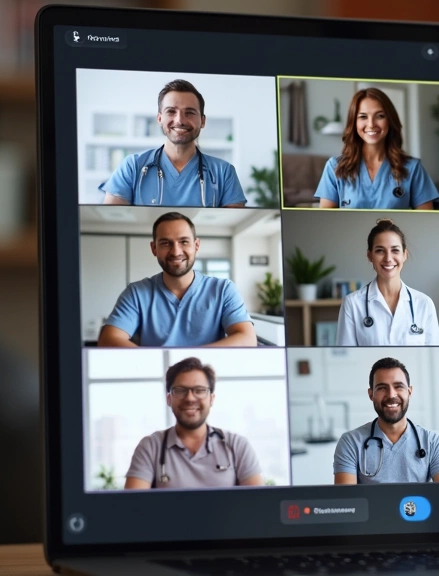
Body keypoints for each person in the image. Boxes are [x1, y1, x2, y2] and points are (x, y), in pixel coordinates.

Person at [98, 212, 257, 347]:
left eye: (184, 242)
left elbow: (248, 339)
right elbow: (108, 339)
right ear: (154, 249)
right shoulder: (136, 293)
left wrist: (186, 360)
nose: (176, 251)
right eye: (166, 243)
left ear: (196, 245)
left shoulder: (223, 290)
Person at [100, 79, 247, 207]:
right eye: (171, 111)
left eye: (189, 112)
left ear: (202, 121)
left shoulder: (224, 172)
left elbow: (232, 231)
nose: (180, 120)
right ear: (159, 119)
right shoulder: (132, 167)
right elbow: (111, 224)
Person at [125, 357, 263, 489]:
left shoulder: (237, 445)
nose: (190, 398)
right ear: (169, 399)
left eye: (200, 390)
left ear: (211, 399)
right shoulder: (151, 446)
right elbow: (133, 507)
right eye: (180, 391)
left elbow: (257, 504)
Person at [333, 357, 439, 484]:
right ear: (371, 395)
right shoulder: (351, 442)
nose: (391, 395)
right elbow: (347, 500)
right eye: (382, 388)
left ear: (409, 392)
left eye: (398, 387)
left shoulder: (431, 442)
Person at [315, 88, 439, 210]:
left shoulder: (413, 168)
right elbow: (326, 222)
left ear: (390, 121)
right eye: (363, 117)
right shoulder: (334, 167)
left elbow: (426, 221)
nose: (371, 124)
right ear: (354, 123)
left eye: (380, 116)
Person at [336, 219, 439, 346]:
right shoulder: (352, 304)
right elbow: (348, 356)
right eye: (380, 250)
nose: (388, 258)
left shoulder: (424, 304)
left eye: (395, 250)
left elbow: (435, 353)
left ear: (405, 254)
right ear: (370, 256)